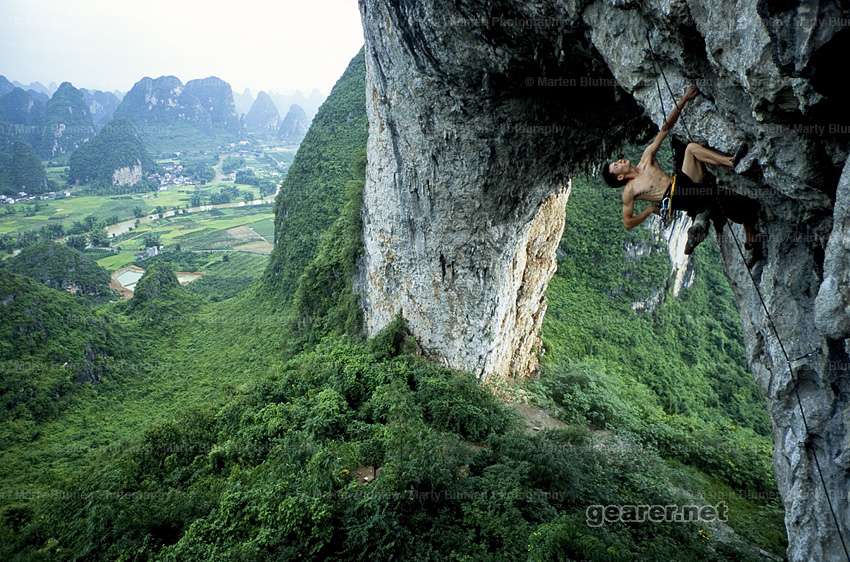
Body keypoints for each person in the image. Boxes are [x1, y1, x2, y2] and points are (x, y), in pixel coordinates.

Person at [600, 85, 763, 265]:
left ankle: (730, 162)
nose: (620, 161)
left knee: (691, 149)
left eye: (617, 161)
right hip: (677, 197)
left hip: (682, 181)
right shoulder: (630, 191)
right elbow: (628, 223)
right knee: (721, 198)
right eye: (616, 166)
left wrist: (685, 99)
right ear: (620, 177)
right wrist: (648, 210)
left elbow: (665, 129)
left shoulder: (646, 158)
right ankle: (746, 234)